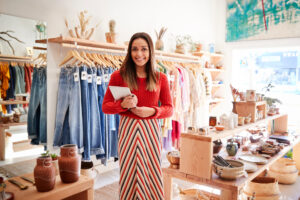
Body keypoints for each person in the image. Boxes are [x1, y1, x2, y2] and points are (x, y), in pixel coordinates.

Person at [102, 32, 173, 200]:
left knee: (151, 170)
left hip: (151, 130)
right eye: (135, 49)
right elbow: (106, 107)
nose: (139, 54)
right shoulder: (118, 76)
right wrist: (122, 105)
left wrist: (153, 111)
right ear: (129, 51)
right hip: (128, 130)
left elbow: (170, 108)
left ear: (150, 52)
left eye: (143, 49)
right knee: (129, 170)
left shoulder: (160, 78)